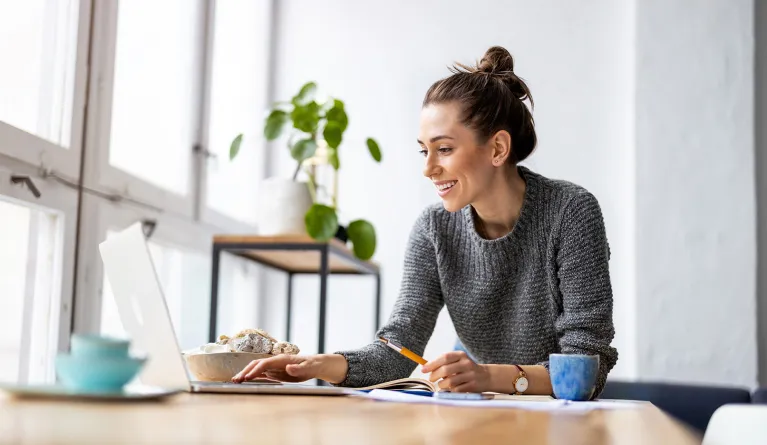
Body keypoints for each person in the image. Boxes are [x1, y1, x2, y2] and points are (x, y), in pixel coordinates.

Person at [233, 46, 618, 397]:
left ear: (498, 148)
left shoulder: (571, 212)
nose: (429, 169)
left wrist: (487, 376)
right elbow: (399, 348)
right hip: (479, 413)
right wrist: (320, 365)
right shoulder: (434, 229)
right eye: (424, 151)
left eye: (444, 149)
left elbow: (586, 368)